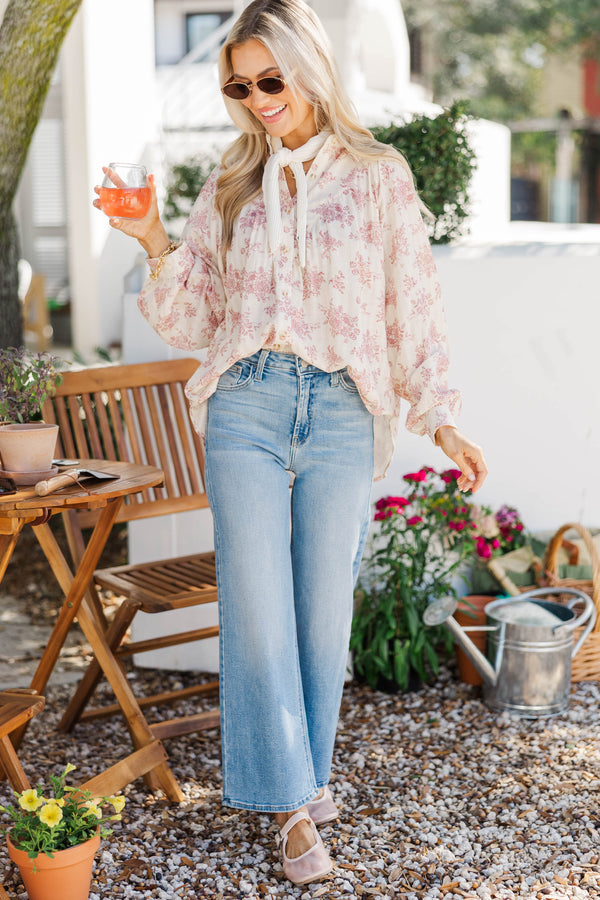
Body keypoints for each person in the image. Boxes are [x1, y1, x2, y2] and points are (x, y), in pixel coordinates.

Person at [94, 0, 487, 885]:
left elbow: (412, 310)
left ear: (309, 69)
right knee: (260, 612)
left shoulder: (379, 176)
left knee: (321, 615)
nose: (257, 100)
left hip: (346, 411)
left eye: (271, 79)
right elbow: (192, 319)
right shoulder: (230, 185)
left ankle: (305, 776)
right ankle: (289, 810)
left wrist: (443, 416)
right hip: (247, 407)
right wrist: (153, 238)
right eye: (240, 85)